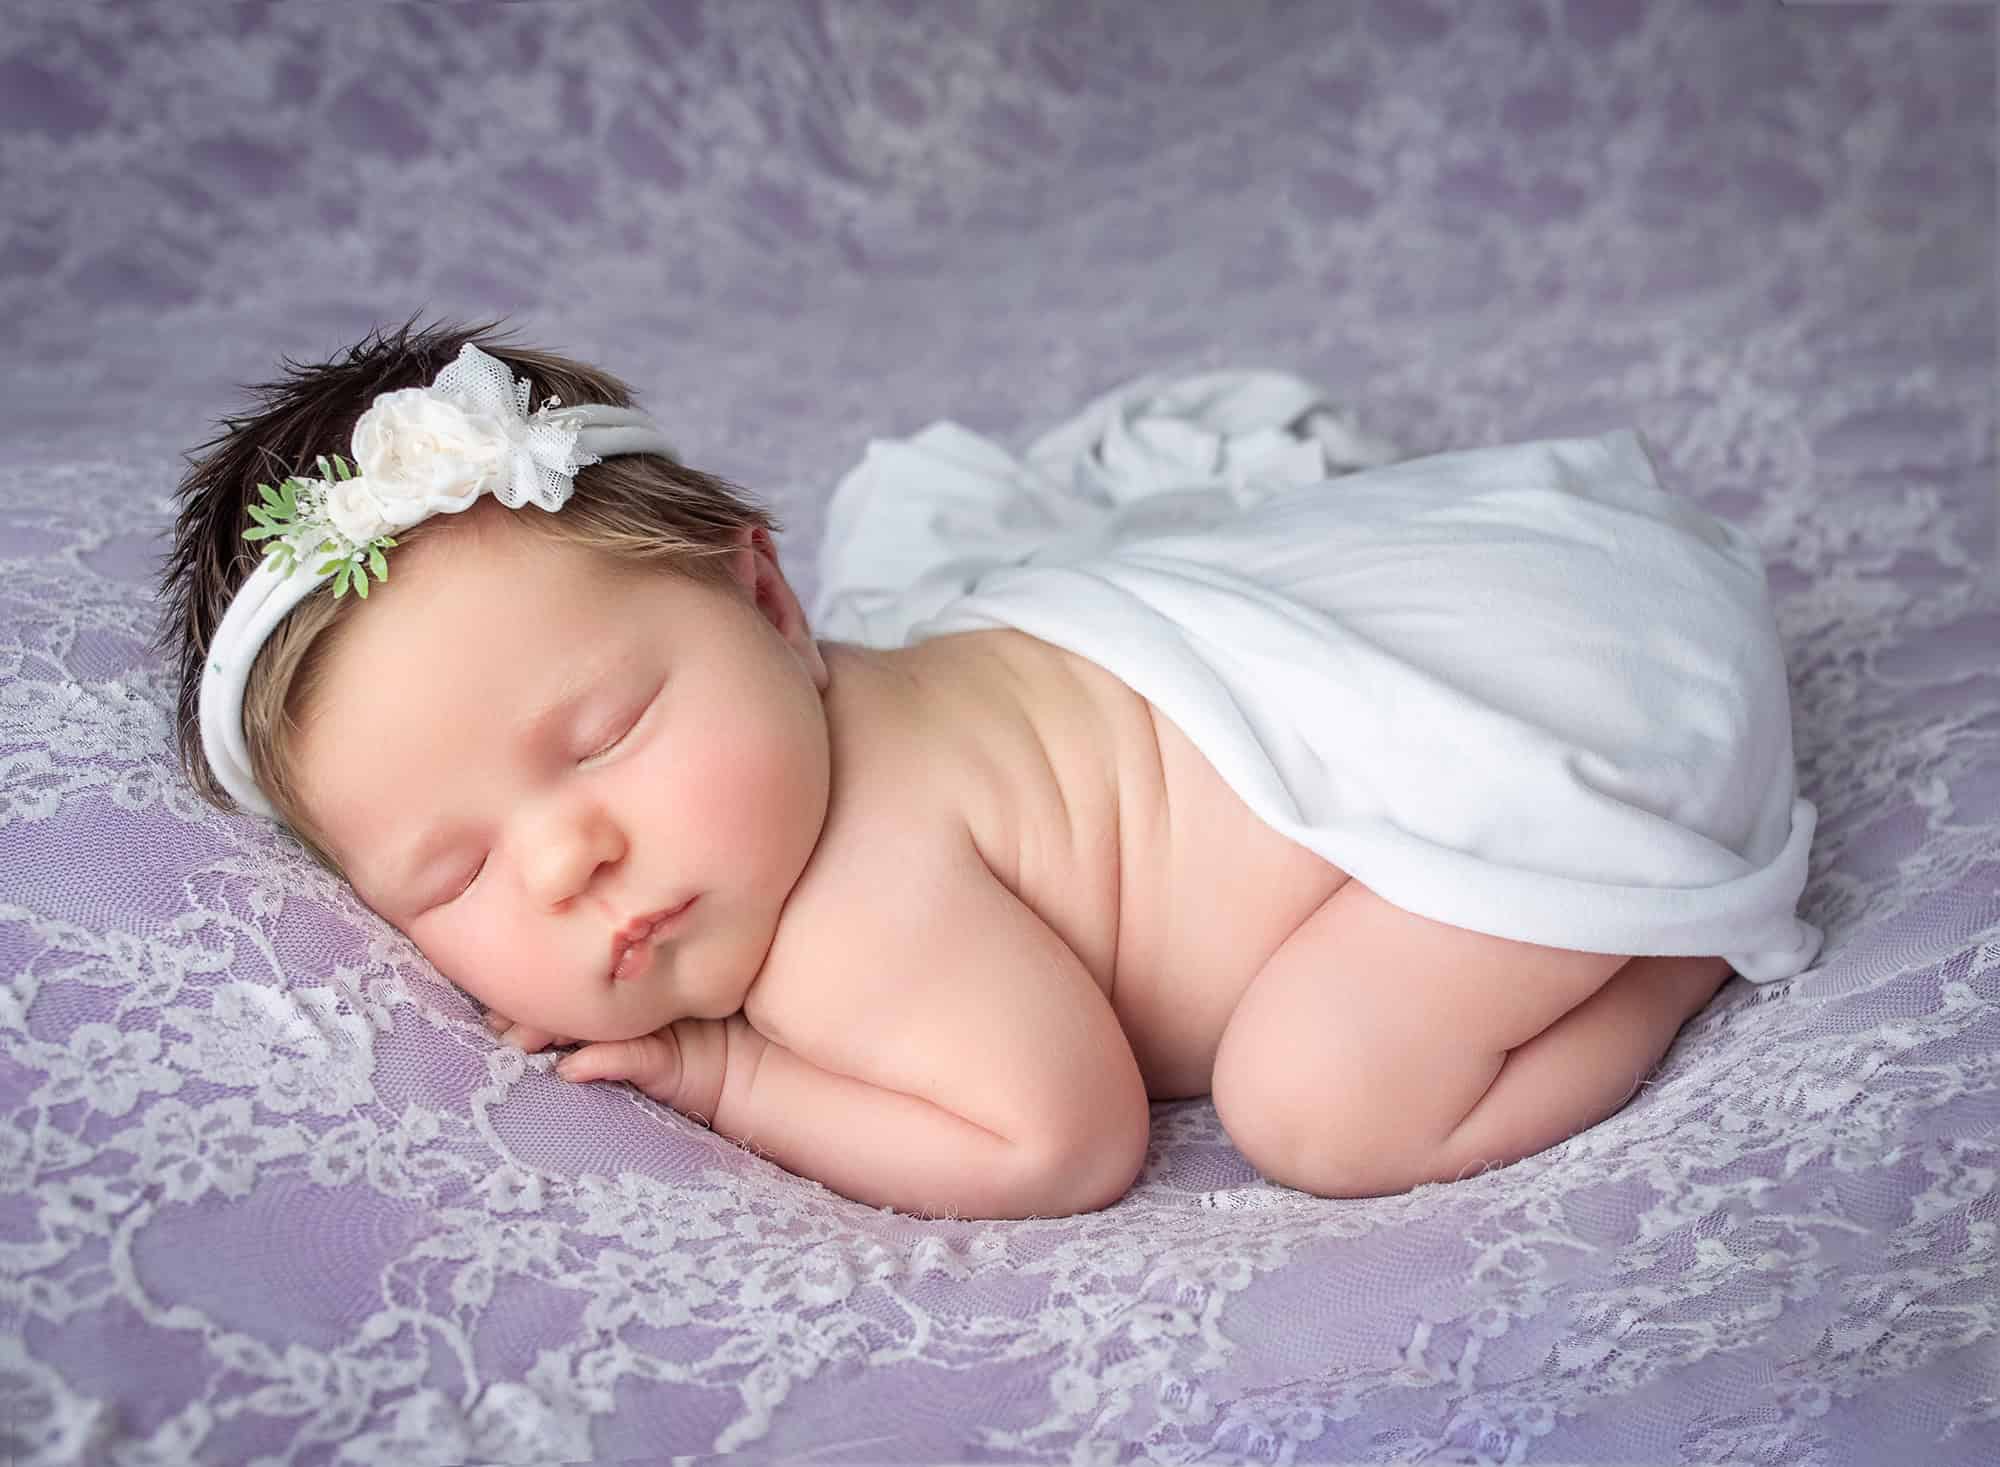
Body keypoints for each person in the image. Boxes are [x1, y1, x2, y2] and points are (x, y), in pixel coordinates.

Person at [160, 313, 1818, 1220]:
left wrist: (728, 1078)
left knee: (1324, 1108)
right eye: (446, 874)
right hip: (1476, 627)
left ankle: (1659, 938)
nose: (562, 860)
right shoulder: (812, 744)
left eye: (606, 736)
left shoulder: (860, 903)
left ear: (770, 599)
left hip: (1520, 737)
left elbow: (1059, 1145)